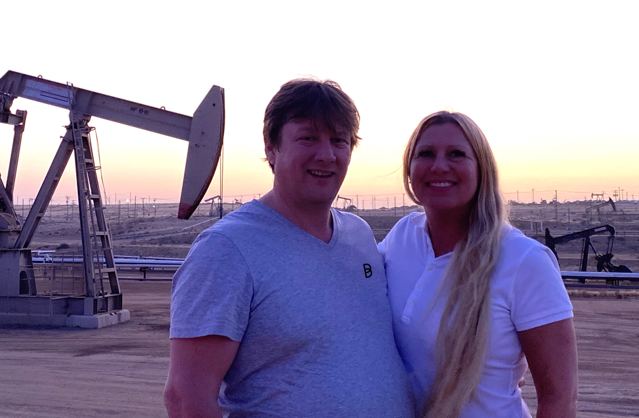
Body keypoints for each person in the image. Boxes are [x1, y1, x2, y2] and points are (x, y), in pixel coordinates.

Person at [165, 78, 414, 418]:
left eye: (339, 140)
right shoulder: (226, 250)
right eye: (308, 137)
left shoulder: (359, 235)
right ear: (271, 146)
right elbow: (186, 399)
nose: (326, 155)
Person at [379, 112, 578, 418]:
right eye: (426, 154)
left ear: (482, 169)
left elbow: (559, 400)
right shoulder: (402, 237)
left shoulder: (525, 261)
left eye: (457, 154)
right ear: (409, 169)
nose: (439, 165)